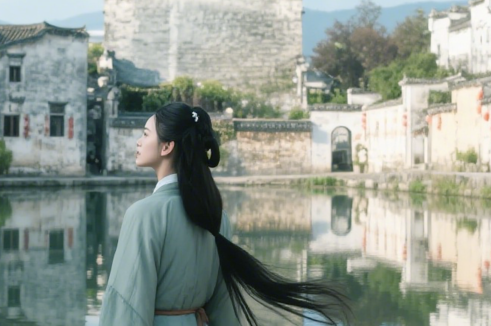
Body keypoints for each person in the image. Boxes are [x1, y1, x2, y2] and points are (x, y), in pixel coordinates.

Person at [99, 103, 349, 325]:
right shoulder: (216, 218)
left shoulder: (144, 214)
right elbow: (223, 305)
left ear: (167, 146)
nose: (138, 142)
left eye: (145, 134)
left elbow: (126, 305)